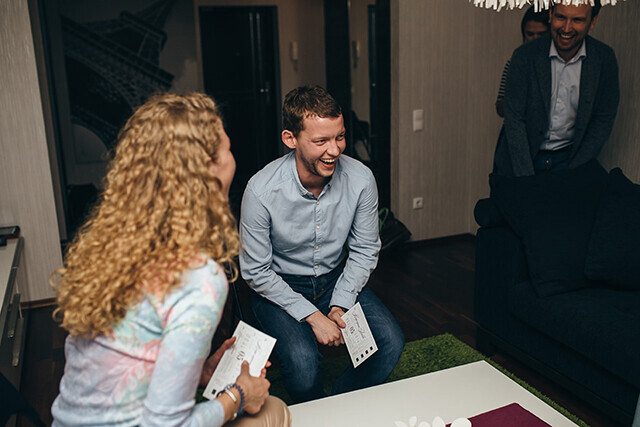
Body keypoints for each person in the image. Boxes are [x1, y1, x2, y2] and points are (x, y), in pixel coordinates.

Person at [50, 93, 290, 426]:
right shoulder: (199, 278)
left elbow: (131, 355)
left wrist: (202, 371)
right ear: (208, 173)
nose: (233, 158)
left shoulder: (109, 245)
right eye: (228, 148)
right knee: (273, 410)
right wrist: (239, 396)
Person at [239, 85, 404, 404]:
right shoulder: (260, 190)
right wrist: (314, 317)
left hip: (335, 279)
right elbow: (256, 271)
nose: (335, 150)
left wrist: (340, 303)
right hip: (279, 286)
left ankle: (336, 408)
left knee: (390, 342)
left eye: (339, 137)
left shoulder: (361, 179)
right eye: (321, 141)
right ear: (290, 139)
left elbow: (365, 249)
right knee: (302, 364)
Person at [495, 0, 620, 176]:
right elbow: (514, 118)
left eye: (577, 20)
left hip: (569, 161)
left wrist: (575, 170)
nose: (567, 28)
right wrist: (526, 178)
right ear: (550, 15)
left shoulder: (603, 59)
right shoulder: (524, 55)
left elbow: (603, 119)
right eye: (561, 17)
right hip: (519, 161)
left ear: (593, 21)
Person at [495, 6, 550, 118]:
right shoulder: (516, 62)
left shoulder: (558, 63)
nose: (535, 39)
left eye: (541, 34)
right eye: (530, 34)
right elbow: (500, 107)